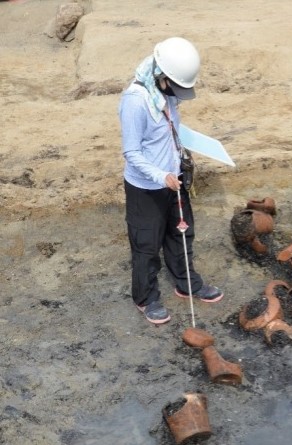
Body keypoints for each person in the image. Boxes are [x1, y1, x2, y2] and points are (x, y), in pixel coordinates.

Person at [119, 36, 223, 325]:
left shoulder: (165, 91)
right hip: (146, 188)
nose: (177, 94)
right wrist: (160, 175)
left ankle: (186, 282)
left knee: (181, 234)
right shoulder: (135, 101)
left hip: (173, 181)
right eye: (175, 87)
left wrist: (177, 165)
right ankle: (146, 297)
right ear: (161, 75)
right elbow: (131, 152)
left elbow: (168, 130)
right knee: (146, 245)